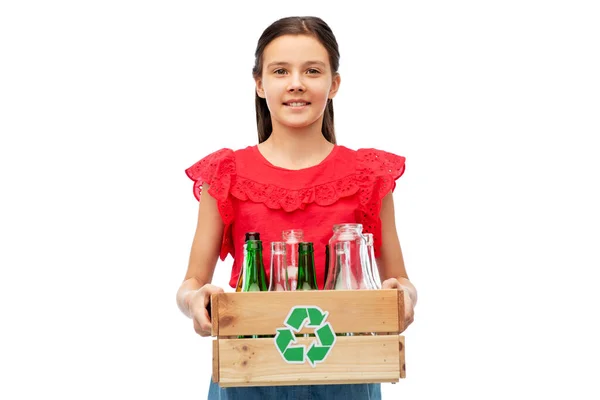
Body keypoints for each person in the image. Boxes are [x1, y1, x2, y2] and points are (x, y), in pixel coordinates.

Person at [175, 16, 418, 400]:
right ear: (259, 83)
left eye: (312, 71)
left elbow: (399, 280)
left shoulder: (367, 176)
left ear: (334, 84)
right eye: (280, 71)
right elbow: (190, 283)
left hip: (345, 370)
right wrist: (195, 301)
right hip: (249, 368)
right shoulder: (227, 174)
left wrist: (403, 297)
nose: (296, 83)